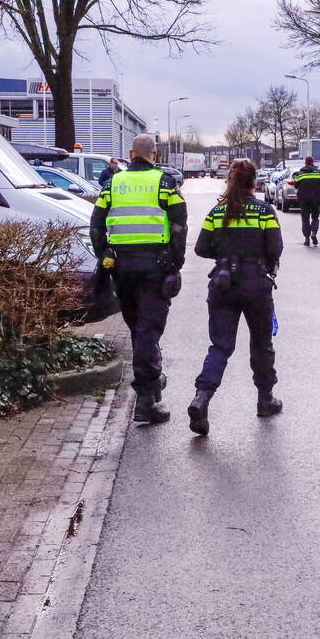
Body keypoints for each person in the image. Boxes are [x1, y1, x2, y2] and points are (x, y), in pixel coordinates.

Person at [90, 134, 187, 424]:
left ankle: (152, 382)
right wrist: (175, 264)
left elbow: (96, 226)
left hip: (122, 267)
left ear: (131, 153)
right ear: (154, 155)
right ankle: (146, 399)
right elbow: (180, 226)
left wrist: (105, 255)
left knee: (137, 327)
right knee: (148, 329)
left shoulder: (112, 183)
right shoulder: (166, 184)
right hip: (155, 266)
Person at [187, 159, 284, 436]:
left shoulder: (218, 211)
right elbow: (275, 248)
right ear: (254, 182)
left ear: (230, 180)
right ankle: (265, 400)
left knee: (220, 346)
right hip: (256, 285)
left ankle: (202, 397)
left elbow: (201, 248)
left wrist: (224, 255)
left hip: (223, 284)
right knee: (261, 344)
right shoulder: (264, 211)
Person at [293, 156, 320, 246]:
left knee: (305, 218)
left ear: (305, 163)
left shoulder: (300, 173)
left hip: (303, 199)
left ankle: (306, 238)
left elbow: (296, 185)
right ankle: (313, 233)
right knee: (315, 217)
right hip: (316, 199)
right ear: (313, 162)